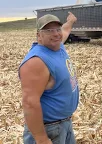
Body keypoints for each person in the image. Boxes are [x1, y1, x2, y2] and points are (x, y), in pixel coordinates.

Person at [19, 12, 79, 144]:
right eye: (49, 31)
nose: (56, 34)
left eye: (57, 29)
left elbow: (65, 30)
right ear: (39, 35)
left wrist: (70, 21)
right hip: (49, 129)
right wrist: (41, 139)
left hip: (64, 124)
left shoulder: (58, 46)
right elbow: (30, 103)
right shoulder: (36, 61)